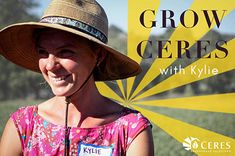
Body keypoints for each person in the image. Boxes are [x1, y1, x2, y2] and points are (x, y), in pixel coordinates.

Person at [0, 0, 154, 155]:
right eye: (43, 52)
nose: (50, 65)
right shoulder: (23, 124)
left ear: (98, 55)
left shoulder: (130, 129)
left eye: (65, 52)